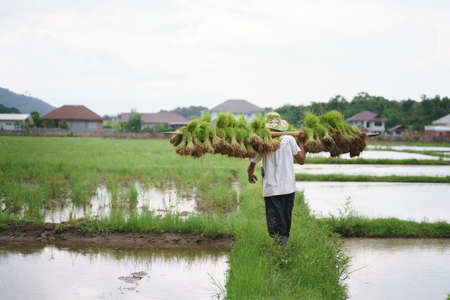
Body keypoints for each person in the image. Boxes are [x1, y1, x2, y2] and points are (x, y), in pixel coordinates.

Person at [247, 112, 306, 246]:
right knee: (285, 219)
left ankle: (280, 249)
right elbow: (301, 160)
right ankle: (281, 248)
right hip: (288, 188)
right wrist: (302, 142)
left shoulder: (262, 143)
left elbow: (251, 165)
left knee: (275, 221)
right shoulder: (289, 140)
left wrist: (250, 174)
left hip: (271, 189)